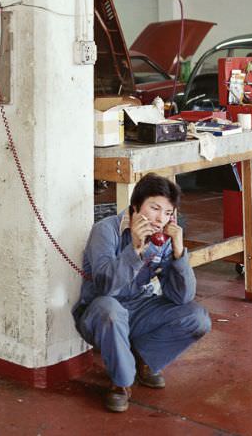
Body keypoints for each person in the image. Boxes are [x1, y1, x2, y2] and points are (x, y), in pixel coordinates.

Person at [73, 173, 211, 413]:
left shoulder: (164, 239)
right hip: (101, 310)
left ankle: (145, 358)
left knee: (196, 317)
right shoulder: (106, 231)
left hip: (139, 307)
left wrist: (179, 253)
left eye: (168, 213)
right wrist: (135, 249)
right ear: (136, 206)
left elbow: (182, 297)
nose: (160, 219)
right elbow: (105, 287)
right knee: (110, 311)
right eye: (154, 208)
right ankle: (121, 383)